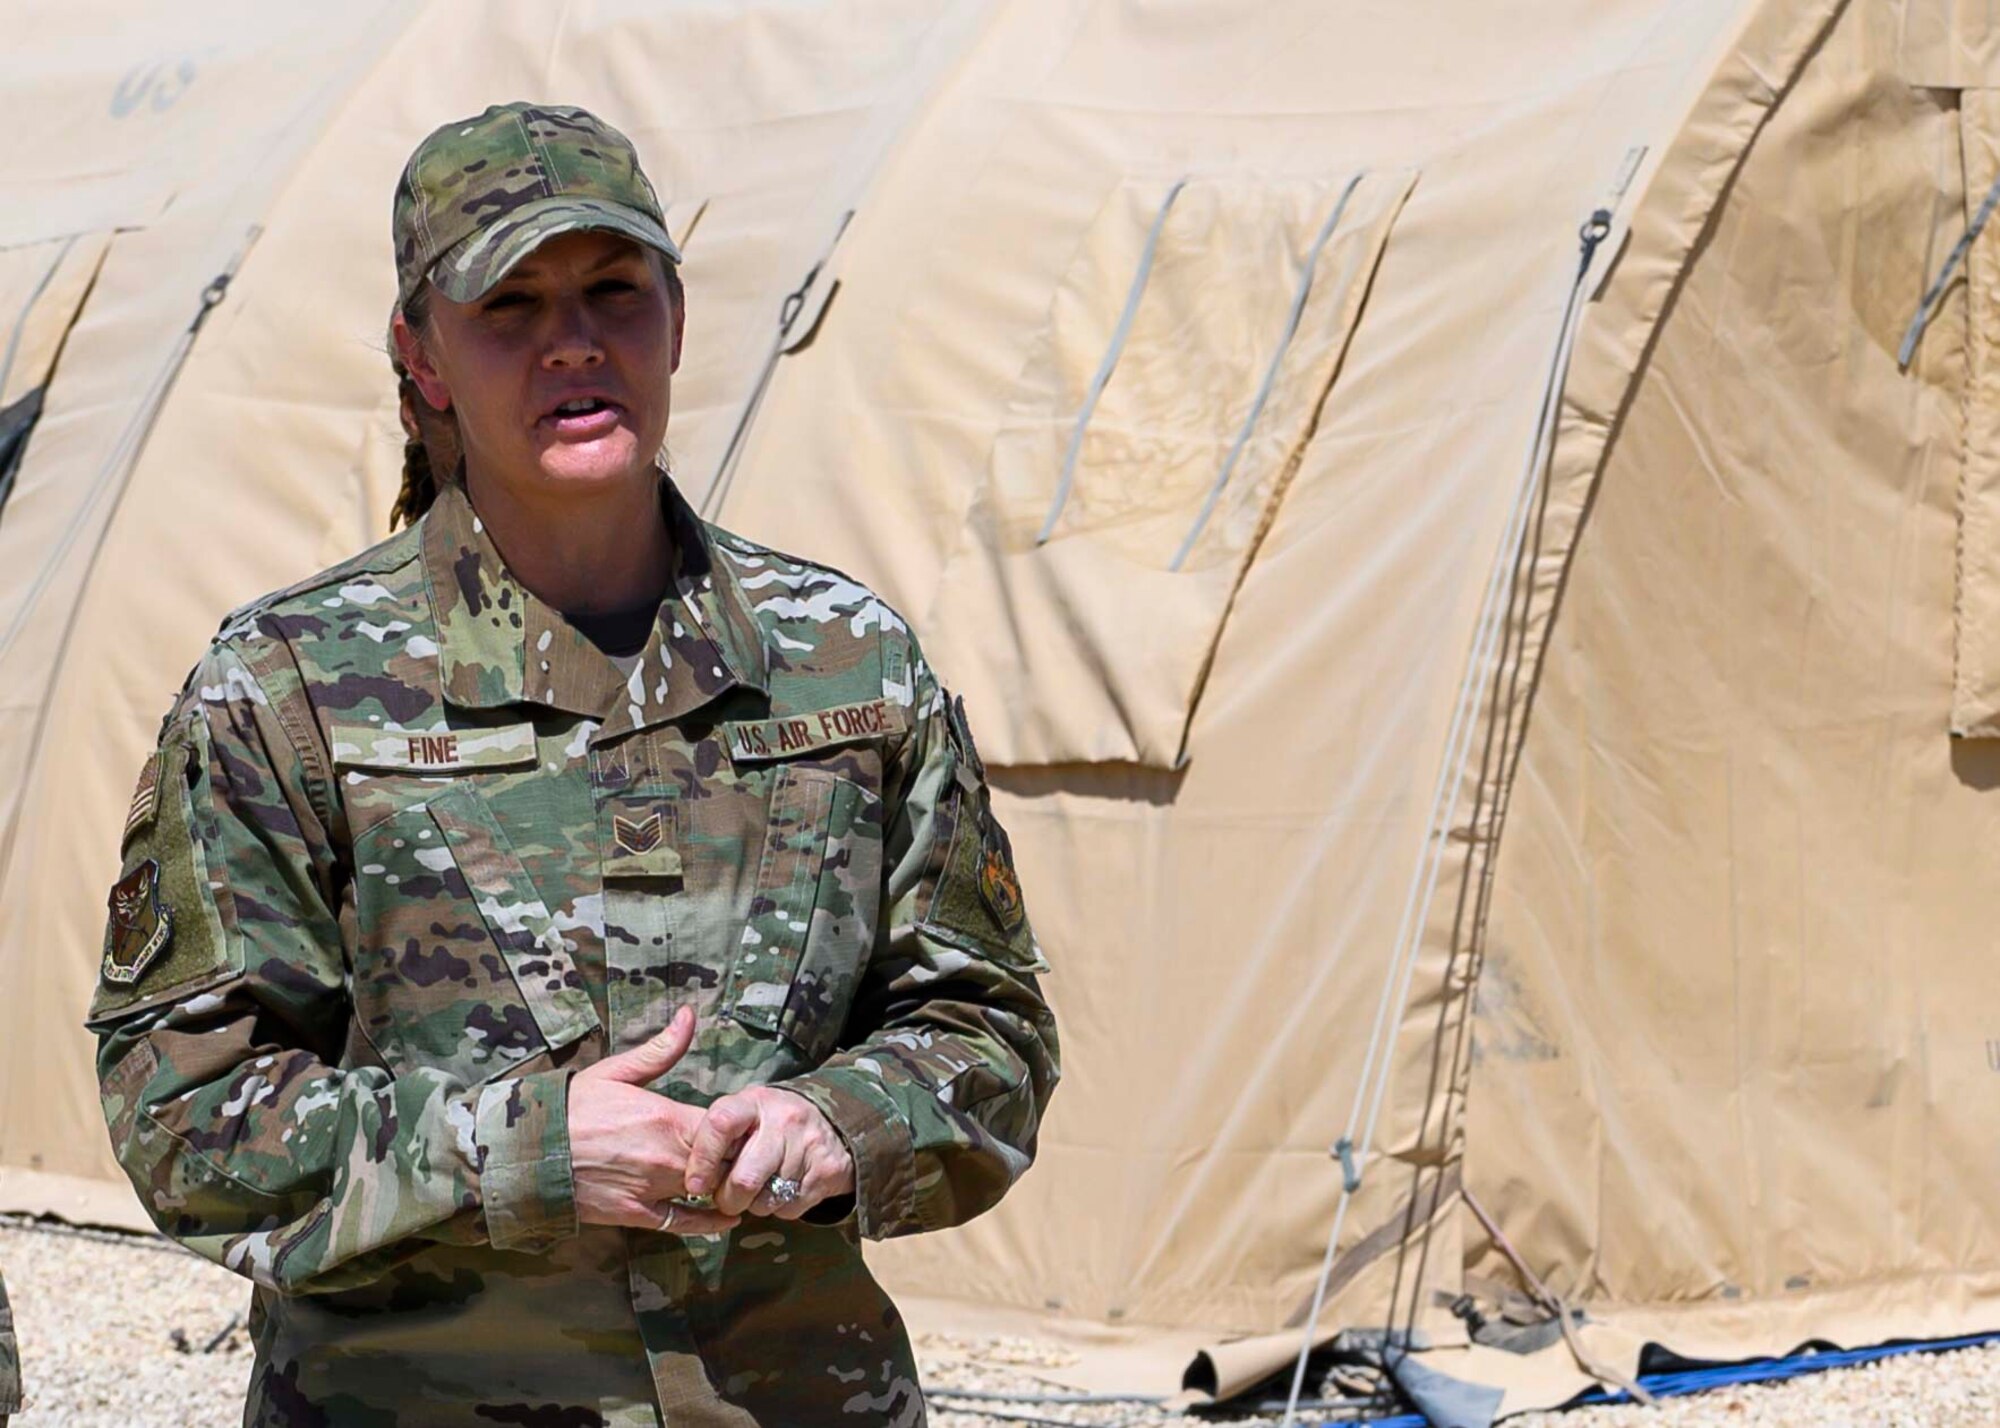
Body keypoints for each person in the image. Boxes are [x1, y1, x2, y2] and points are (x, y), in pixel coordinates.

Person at [88, 101, 1059, 1427]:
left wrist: (850, 1120)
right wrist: (518, 1152)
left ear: (673, 317)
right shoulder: (294, 688)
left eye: (614, 292)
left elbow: (985, 1031)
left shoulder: (848, 666)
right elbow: (185, 1118)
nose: (574, 344)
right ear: (421, 359)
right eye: (510, 308)